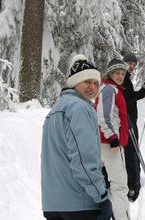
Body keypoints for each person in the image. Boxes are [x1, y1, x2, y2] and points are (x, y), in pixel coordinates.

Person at [41, 54, 113, 220]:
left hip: (53, 204)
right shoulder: (80, 108)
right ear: (75, 82)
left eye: (96, 83)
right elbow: (83, 159)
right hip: (79, 204)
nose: (92, 87)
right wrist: (101, 196)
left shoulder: (54, 111)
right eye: (87, 81)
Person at [95, 58, 131, 220]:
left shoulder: (112, 89)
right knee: (120, 186)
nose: (120, 76)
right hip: (110, 144)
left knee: (113, 185)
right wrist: (113, 138)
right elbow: (103, 116)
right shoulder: (109, 89)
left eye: (122, 73)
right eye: (117, 72)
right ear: (110, 73)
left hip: (109, 143)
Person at [122, 53, 145, 202]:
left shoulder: (126, 78)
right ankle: (133, 186)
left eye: (134, 64)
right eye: (129, 63)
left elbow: (130, 96)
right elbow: (128, 97)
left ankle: (135, 180)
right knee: (131, 151)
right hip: (126, 121)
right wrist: (143, 92)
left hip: (130, 120)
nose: (132, 66)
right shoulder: (122, 78)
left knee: (133, 150)